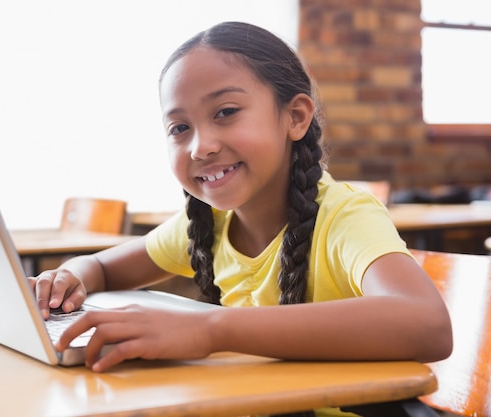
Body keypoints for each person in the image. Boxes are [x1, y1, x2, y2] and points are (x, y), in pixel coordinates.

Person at [30, 21, 452, 416]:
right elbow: (101, 267)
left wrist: (211, 329)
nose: (200, 146)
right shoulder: (206, 224)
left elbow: (427, 324)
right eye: (179, 128)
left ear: (296, 117)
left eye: (226, 112)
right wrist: (69, 277)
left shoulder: (344, 216)